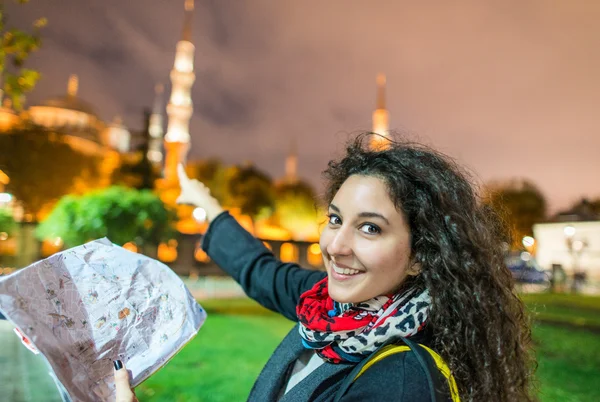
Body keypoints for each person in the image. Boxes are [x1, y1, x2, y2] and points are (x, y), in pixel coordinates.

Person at [114, 134, 536, 401]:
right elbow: (263, 272)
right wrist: (208, 208)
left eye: (370, 228)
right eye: (335, 219)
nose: (335, 245)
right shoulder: (326, 308)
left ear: (422, 255)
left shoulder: (402, 382)